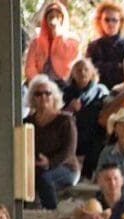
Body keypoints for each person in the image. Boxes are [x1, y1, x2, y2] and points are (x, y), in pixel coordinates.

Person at [25, 74, 79, 209]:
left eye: (47, 93)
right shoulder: (27, 122)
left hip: (65, 167)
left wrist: (49, 162)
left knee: (45, 179)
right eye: (38, 94)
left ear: (54, 96)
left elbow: (69, 152)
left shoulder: (65, 120)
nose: (43, 97)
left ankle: (51, 216)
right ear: (32, 98)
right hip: (35, 167)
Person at [62, 58, 109, 178]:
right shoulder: (65, 93)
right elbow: (57, 115)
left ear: (92, 72)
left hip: (94, 137)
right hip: (72, 137)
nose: (82, 72)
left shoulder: (100, 90)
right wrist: (69, 110)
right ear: (72, 73)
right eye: (78, 70)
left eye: (86, 69)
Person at [24, 0, 80, 85]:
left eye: (58, 17)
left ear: (62, 19)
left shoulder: (72, 40)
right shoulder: (36, 42)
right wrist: (39, 83)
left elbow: (73, 64)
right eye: (50, 17)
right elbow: (29, 68)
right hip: (41, 84)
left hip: (64, 84)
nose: (53, 20)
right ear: (45, 20)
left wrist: (58, 35)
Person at [86, 1, 124, 89]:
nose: (110, 23)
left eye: (114, 20)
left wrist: (100, 66)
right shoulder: (93, 47)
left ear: (120, 22)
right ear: (100, 21)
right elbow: (88, 73)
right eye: (107, 20)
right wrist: (116, 66)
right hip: (97, 93)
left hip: (121, 93)